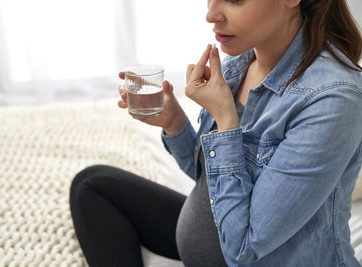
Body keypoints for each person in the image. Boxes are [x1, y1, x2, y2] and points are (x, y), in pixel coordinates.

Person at [69, 0, 362, 266]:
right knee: (92, 186)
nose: (211, 15)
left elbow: (244, 248)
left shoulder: (333, 100)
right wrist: (175, 124)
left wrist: (225, 118)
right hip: (211, 240)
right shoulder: (242, 62)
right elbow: (209, 180)